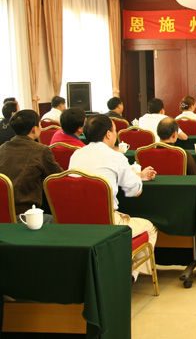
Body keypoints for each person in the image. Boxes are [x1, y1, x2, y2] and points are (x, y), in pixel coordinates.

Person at [69, 114, 158, 279]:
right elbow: (134, 191)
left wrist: (134, 175)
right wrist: (137, 178)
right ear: (108, 134)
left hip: (76, 223)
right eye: (115, 131)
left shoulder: (76, 155)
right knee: (150, 228)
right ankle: (131, 275)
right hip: (107, 224)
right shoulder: (116, 157)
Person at [0, 110, 62, 219]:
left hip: (3, 211)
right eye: (39, 125)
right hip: (25, 214)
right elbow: (58, 177)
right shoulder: (41, 150)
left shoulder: (2, 148)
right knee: (57, 220)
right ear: (34, 129)